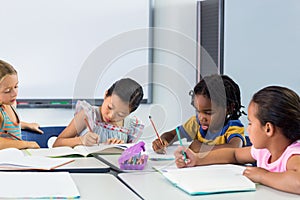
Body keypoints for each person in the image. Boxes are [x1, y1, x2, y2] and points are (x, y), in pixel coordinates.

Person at [174, 86, 300, 194]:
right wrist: (197, 159)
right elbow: (234, 154)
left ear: (268, 129)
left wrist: (263, 176)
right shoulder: (264, 151)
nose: (248, 128)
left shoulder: (293, 155)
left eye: (250, 123)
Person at [152, 74, 246, 153]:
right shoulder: (196, 123)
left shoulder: (232, 127)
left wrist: (202, 148)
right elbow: (172, 135)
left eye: (208, 113)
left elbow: (235, 148)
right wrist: (163, 140)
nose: (201, 118)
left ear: (229, 108)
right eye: (198, 111)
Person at [53, 78, 144, 147]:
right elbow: (57, 144)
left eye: (120, 114)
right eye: (110, 107)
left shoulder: (131, 126)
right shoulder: (88, 115)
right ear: (105, 94)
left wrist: (120, 148)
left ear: (130, 113)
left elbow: (131, 157)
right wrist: (81, 140)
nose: (111, 116)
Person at [0, 60, 42, 150]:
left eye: (16, 86)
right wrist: (26, 144)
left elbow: (7, 126)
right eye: (7, 91)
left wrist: (27, 125)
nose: (14, 93)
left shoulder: (11, 103)